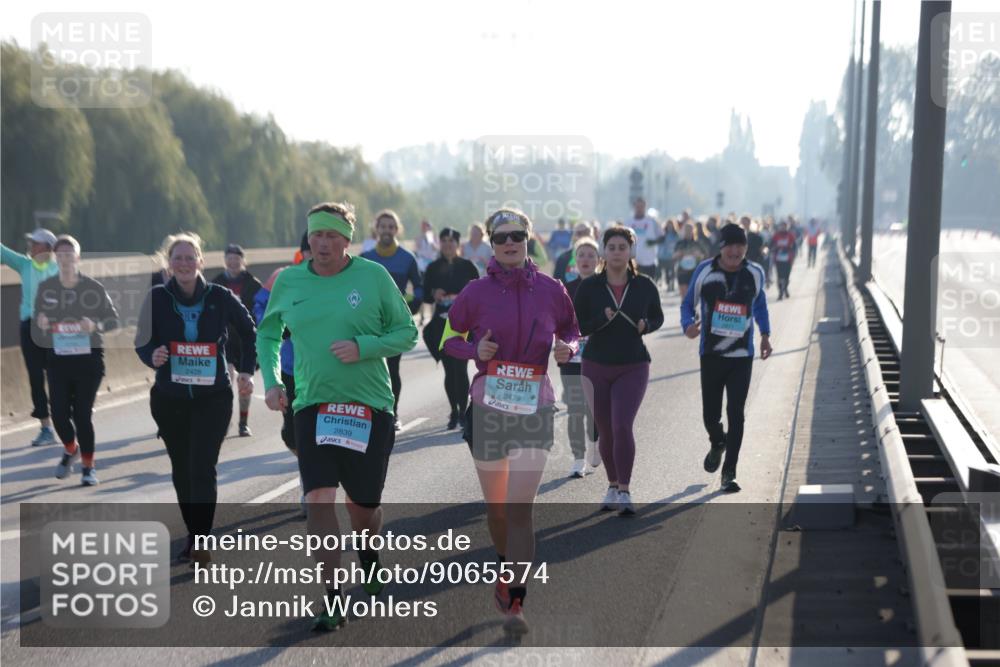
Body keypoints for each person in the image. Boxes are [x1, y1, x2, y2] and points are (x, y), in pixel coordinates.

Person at [257, 201, 418, 632]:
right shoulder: (289, 281)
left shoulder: (373, 276)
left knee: (363, 507)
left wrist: (364, 347)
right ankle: (332, 597)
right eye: (316, 236)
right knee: (318, 500)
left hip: (370, 407)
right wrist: (272, 383)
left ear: (347, 240)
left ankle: (368, 552)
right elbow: (269, 332)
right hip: (313, 406)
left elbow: (407, 331)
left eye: (332, 236)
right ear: (307, 239)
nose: (323, 244)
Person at [442, 208, 579, 635]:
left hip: (535, 405)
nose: (509, 243)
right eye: (500, 237)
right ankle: (505, 567)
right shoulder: (475, 292)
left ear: (527, 238)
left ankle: (516, 599)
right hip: (489, 407)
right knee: (498, 509)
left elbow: (573, 331)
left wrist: (569, 350)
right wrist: (473, 353)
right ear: (490, 243)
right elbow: (447, 340)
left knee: (521, 508)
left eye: (517, 235)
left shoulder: (553, 290)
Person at [135, 232, 256, 564]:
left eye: (191, 257)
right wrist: (152, 354)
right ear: (169, 263)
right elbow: (141, 340)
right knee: (181, 470)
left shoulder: (219, 296)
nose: (185, 263)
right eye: (178, 258)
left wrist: (246, 371)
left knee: (202, 467)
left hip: (212, 398)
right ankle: (194, 534)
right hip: (169, 398)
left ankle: (201, 540)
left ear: (201, 261)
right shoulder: (157, 297)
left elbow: (248, 331)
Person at [574, 226, 664, 514]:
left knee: (622, 424)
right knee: (605, 431)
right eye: (611, 247)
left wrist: (646, 325)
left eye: (622, 247)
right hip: (595, 365)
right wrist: (601, 318)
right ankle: (612, 485)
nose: (616, 252)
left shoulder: (644, 285)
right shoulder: (590, 287)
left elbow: (657, 316)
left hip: (633, 364)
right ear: (604, 251)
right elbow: (577, 326)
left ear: (631, 251)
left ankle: (625, 489)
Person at [681, 223, 772, 493]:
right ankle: (717, 441)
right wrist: (688, 325)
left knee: (736, 413)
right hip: (711, 354)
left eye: (740, 245)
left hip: (742, 355)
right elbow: (688, 304)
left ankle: (729, 471)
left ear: (746, 247)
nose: (735, 251)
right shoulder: (705, 271)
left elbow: (760, 304)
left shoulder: (754, 272)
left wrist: (765, 334)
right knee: (711, 416)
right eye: (729, 245)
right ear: (720, 248)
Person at [34, 235, 119, 485]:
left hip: (89, 362)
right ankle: (71, 449)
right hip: (58, 362)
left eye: (69, 256)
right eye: (60, 256)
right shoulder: (46, 288)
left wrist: (95, 325)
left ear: (77, 258)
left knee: (82, 415)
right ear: (55, 259)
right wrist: (40, 324)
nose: (65, 260)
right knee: (59, 415)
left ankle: (88, 468)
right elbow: (39, 329)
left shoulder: (93, 288)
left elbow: (113, 320)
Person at [254, 232, 311, 516]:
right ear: (302, 253)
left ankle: (312, 487)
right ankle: (311, 473)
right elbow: (260, 304)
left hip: (327, 373)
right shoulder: (284, 277)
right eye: (311, 249)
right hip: (290, 369)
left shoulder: (342, 281)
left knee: (316, 434)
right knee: (292, 435)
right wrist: (277, 320)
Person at [361, 209, 423, 430]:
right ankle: (370, 412)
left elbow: (419, 288)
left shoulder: (407, 258)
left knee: (392, 369)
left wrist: (410, 308)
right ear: (376, 229)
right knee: (369, 369)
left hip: (395, 324)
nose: (386, 230)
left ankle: (392, 414)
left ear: (397, 230)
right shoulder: (366, 258)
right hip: (369, 323)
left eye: (391, 227)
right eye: (382, 226)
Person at [2, 229, 60, 446]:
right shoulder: (25, 264)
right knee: (36, 378)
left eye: (35, 243)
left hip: (54, 329)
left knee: (57, 376)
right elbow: (2, 252)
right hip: (29, 327)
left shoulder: (60, 269)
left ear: (47, 247)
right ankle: (46, 428)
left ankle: (65, 418)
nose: (31, 245)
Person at [422, 227, 480, 429]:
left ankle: (464, 411)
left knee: (461, 369)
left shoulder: (467, 266)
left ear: (458, 244)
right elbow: (425, 296)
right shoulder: (433, 267)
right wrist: (433, 292)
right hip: (440, 323)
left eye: (451, 240)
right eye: (444, 240)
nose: (448, 244)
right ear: (440, 243)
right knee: (448, 370)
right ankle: (453, 411)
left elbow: (479, 293)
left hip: (462, 325)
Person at [559, 237, 601, 477]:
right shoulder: (565, 288)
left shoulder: (604, 287)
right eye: (581, 255)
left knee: (593, 408)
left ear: (598, 260)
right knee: (575, 408)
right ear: (575, 260)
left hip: (598, 357)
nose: (585, 259)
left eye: (590, 255)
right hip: (571, 357)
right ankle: (577, 459)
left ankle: (596, 443)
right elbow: (557, 321)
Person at [211, 244, 263, 436]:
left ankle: (243, 422)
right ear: (224, 260)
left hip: (246, 340)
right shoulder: (216, 283)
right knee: (226, 379)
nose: (233, 262)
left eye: (237, 258)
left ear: (243, 260)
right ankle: (224, 421)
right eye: (229, 258)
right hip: (224, 340)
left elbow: (261, 309)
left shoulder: (253, 284)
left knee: (244, 382)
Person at [626, 198, 661, 278]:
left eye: (641, 206)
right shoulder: (628, 222)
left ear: (645, 207)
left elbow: (662, 237)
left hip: (649, 261)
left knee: (648, 286)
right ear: (634, 207)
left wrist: (652, 242)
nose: (639, 209)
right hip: (633, 261)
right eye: (637, 206)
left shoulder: (652, 221)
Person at [673, 222, 707, 299]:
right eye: (686, 230)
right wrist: (678, 254)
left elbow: (704, 256)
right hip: (682, 271)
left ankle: (691, 310)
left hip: (694, 272)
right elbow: (673, 256)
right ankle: (684, 310)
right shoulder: (679, 243)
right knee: (684, 297)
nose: (688, 232)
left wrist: (698, 255)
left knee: (693, 296)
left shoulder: (697, 243)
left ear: (693, 231)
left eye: (690, 230)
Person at [770, 220, 797, 300]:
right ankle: (780, 292)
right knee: (779, 276)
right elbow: (771, 244)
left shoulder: (790, 235)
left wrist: (792, 252)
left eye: (784, 226)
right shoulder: (776, 235)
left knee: (786, 276)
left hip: (788, 259)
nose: (782, 228)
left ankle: (785, 289)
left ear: (786, 227)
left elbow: (795, 246)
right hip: (778, 259)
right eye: (781, 226)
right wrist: (774, 249)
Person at [657, 219, 680, 291]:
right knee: (666, 272)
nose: (670, 226)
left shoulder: (676, 234)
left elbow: (678, 244)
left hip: (672, 256)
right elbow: (659, 244)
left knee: (672, 271)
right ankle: (667, 283)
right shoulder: (663, 234)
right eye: (668, 224)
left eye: (671, 224)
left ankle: (671, 284)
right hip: (663, 256)